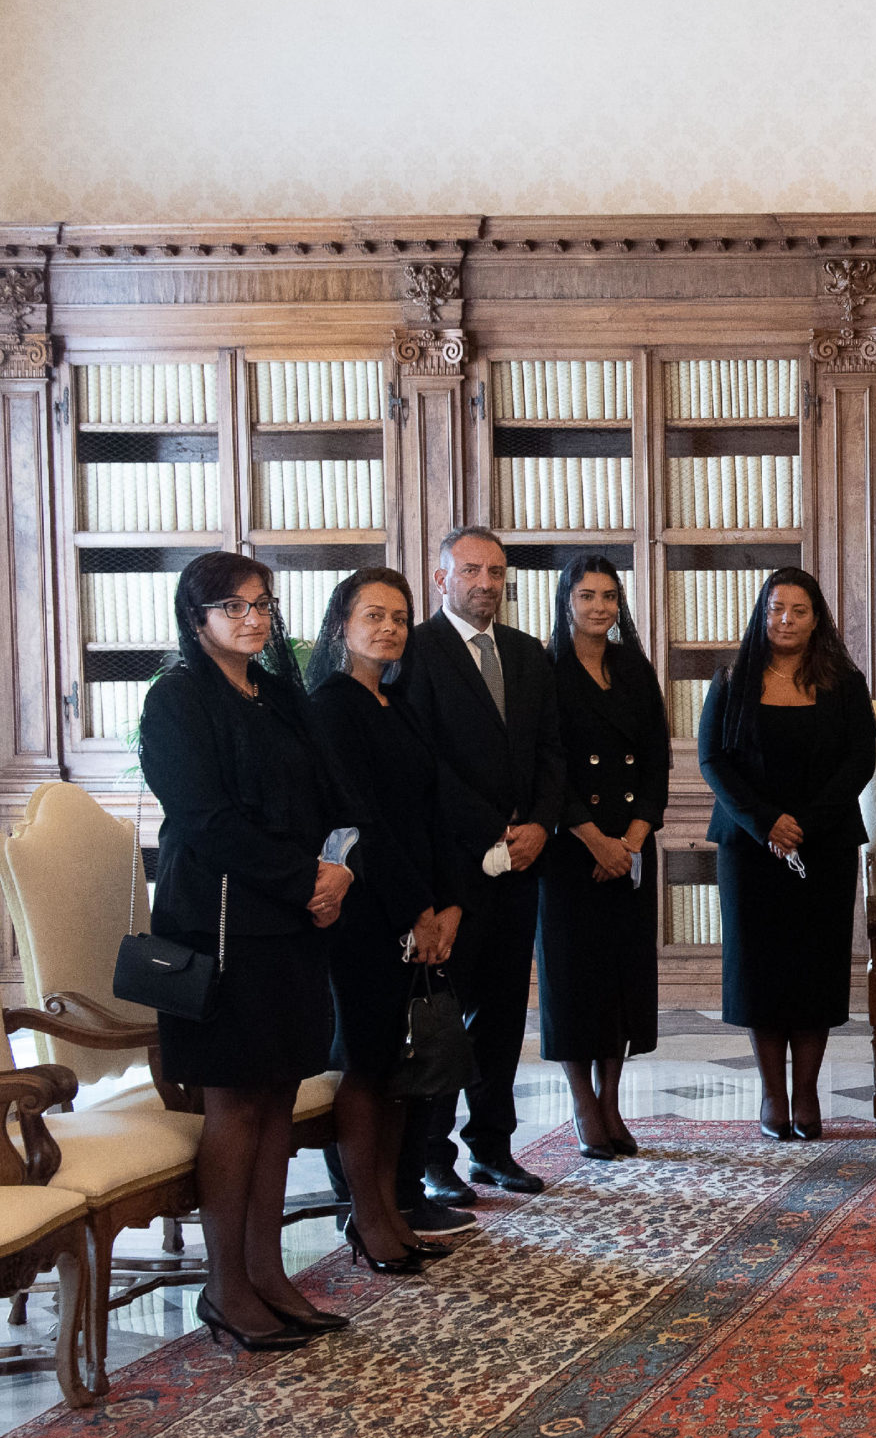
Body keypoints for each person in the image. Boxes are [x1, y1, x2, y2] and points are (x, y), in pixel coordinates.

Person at [138, 552, 357, 1347]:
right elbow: (206, 820)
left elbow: (333, 799)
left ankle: (268, 1274)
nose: (254, 618)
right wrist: (305, 878)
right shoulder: (176, 699)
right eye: (233, 606)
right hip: (220, 928)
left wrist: (339, 869)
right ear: (196, 619)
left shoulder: (278, 695)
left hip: (292, 927)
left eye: (262, 603)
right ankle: (225, 1288)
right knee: (235, 1104)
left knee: (277, 1100)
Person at [398, 526, 564, 1212]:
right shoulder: (416, 651)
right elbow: (421, 762)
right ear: (442, 579)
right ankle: (433, 1158)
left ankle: (492, 1146)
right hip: (452, 866)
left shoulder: (526, 653)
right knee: (443, 1015)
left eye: (496, 572)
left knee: (500, 1017)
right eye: (471, 571)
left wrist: (540, 826)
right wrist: (491, 829)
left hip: (522, 866)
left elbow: (552, 750)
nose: (486, 583)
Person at [305, 569, 465, 1274]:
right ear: (341, 623)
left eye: (400, 618)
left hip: (417, 907)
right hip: (368, 915)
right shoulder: (330, 706)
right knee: (368, 1066)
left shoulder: (397, 703)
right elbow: (360, 820)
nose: (390, 628)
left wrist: (448, 903)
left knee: (401, 1070)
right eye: (374, 615)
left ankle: (392, 1210)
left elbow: (433, 812)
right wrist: (416, 911)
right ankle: (366, 1216)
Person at [699, 567, 876, 1140]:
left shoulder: (844, 682)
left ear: (816, 618)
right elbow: (712, 760)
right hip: (750, 848)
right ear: (762, 613)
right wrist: (767, 823)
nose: (786, 620)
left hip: (823, 845)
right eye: (776, 609)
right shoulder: (732, 679)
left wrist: (805, 824)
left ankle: (807, 1093)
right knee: (760, 973)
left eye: (799, 611)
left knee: (814, 972)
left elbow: (861, 759)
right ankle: (773, 1094)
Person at [538, 556, 670, 1160]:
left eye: (610, 596)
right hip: (571, 850)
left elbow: (656, 760)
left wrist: (632, 841)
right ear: (566, 600)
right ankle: (582, 1102)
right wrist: (594, 840)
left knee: (622, 977)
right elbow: (548, 766)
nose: (599, 607)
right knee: (574, 980)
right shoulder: (545, 669)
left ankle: (611, 1099)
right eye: (587, 595)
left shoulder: (634, 667)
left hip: (630, 847)